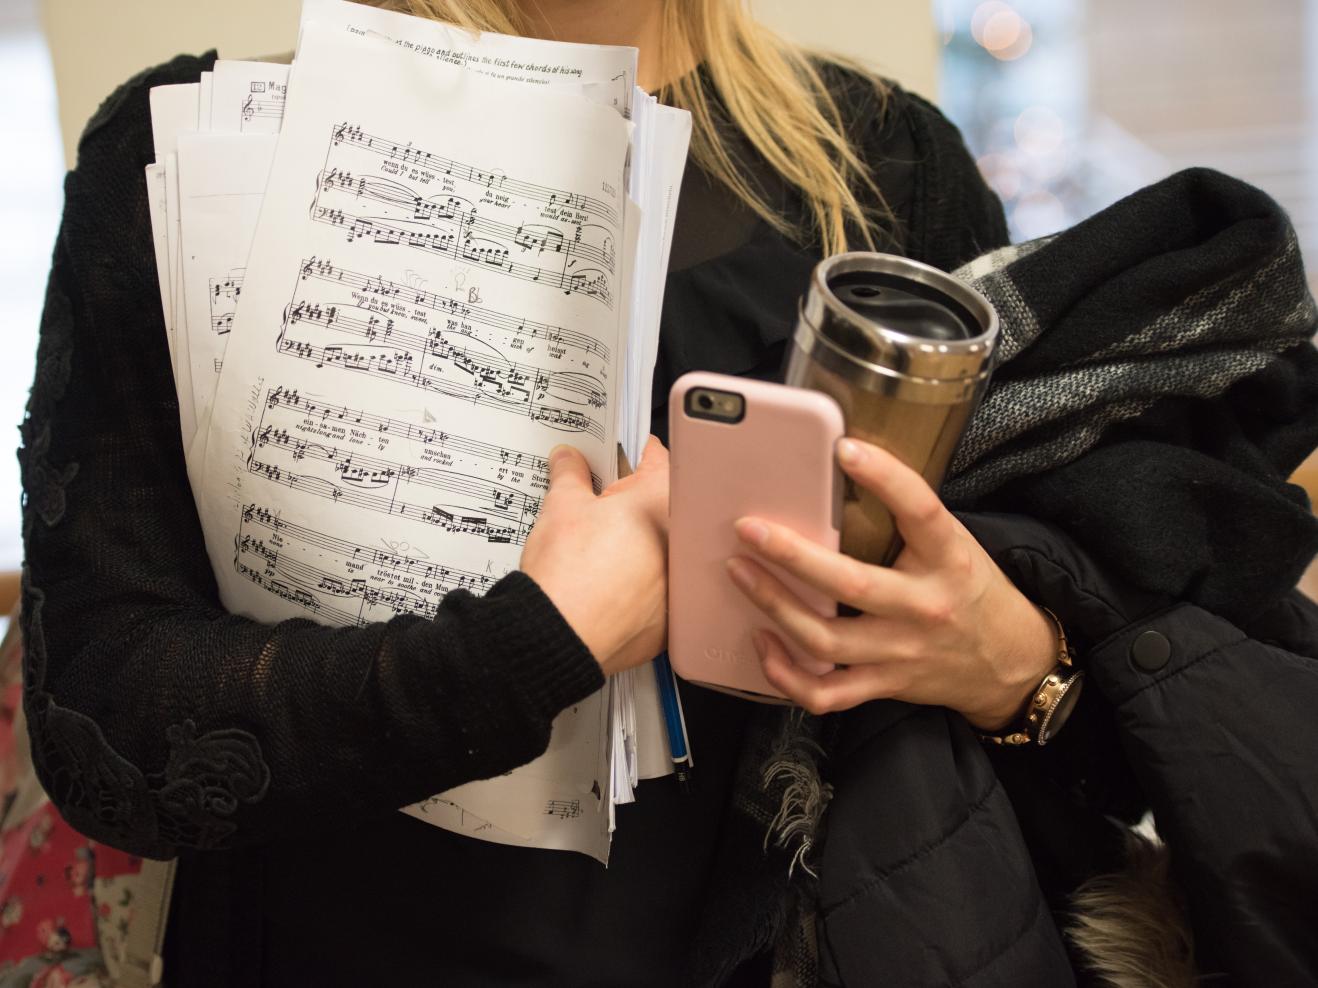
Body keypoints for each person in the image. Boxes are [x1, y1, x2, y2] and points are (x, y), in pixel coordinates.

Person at [18, 0, 1318, 985]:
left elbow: (1092, 753)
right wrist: (541, 641)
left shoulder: (883, 166)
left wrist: (1011, 665)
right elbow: (107, 727)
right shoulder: (191, 145)